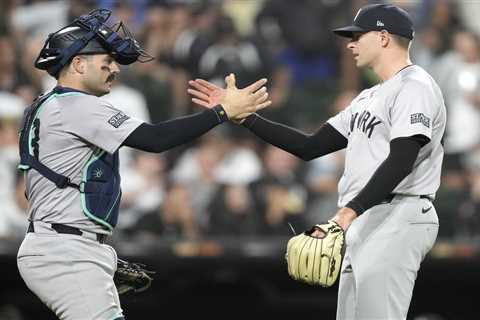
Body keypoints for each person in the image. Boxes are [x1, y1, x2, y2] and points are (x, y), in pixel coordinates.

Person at [188, 4, 446, 320]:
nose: (350, 44)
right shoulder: (368, 97)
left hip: (398, 213)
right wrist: (244, 118)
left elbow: (403, 159)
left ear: (382, 37)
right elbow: (310, 146)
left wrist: (349, 212)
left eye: (357, 36)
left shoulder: (414, 86)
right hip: (369, 217)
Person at [16, 8, 270, 320]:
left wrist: (97, 253)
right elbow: (155, 139)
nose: (115, 69)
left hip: (65, 244)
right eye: (105, 61)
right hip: (65, 250)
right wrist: (221, 112)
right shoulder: (75, 105)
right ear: (78, 64)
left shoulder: (50, 106)